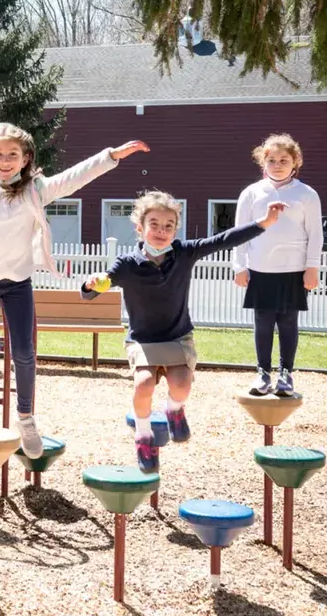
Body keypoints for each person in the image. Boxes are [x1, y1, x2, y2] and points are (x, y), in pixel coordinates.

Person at [0, 122, 149, 457]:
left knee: (24, 352)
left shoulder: (34, 190)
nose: (6, 160)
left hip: (18, 282)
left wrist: (111, 156)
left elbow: (73, 178)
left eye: (13, 155)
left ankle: (26, 415)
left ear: (25, 159)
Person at [83, 190, 286, 471]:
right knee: (143, 383)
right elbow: (96, 288)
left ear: (175, 230)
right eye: (153, 224)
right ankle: (143, 435)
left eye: (168, 226)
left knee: (182, 384)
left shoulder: (184, 253)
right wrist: (92, 283)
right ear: (139, 228)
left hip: (177, 335)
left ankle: (174, 410)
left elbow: (223, 240)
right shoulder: (128, 265)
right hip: (142, 340)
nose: (161, 231)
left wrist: (263, 223)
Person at [232, 134, 322, 396]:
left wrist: (312, 266)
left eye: (284, 160)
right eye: (271, 160)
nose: (278, 164)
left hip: (293, 269)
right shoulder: (251, 193)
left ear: (296, 162)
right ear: (263, 162)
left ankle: (286, 374)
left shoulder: (307, 194)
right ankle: (262, 373)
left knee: (288, 321)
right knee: (262, 321)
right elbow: (240, 232)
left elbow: (315, 233)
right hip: (260, 268)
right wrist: (240, 265)